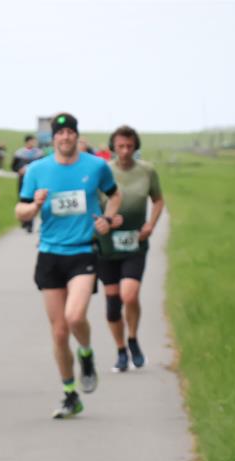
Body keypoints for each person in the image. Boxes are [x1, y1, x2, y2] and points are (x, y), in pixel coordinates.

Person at [14, 113, 123, 419]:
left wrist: (108, 219)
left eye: (70, 133)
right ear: (53, 138)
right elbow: (20, 212)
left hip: (83, 251)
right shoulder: (36, 170)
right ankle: (70, 393)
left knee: (75, 317)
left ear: (77, 136)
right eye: (59, 133)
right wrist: (34, 206)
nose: (65, 138)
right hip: (50, 254)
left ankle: (86, 353)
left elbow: (115, 196)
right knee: (59, 332)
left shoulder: (95, 166)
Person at [98, 125, 164, 371]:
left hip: (135, 242)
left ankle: (133, 338)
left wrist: (151, 224)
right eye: (120, 146)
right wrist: (104, 220)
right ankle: (121, 350)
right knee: (113, 304)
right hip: (106, 245)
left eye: (129, 146)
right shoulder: (103, 171)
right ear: (113, 147)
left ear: (136, 146)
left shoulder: (147, 171)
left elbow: (158, 200)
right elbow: (94, 204)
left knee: (130, 294)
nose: (125, 151)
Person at [11, 135, 45, 233]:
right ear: (27, 142)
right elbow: (13, 166)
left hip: (35, 182)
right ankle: (24, 221)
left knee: (33, 201)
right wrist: (19, 170)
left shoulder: (38, 154)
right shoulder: (19, 153)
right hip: (23, 180)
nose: (33, 143)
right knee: (23, 199)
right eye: (31, 141)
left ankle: (30, 224)